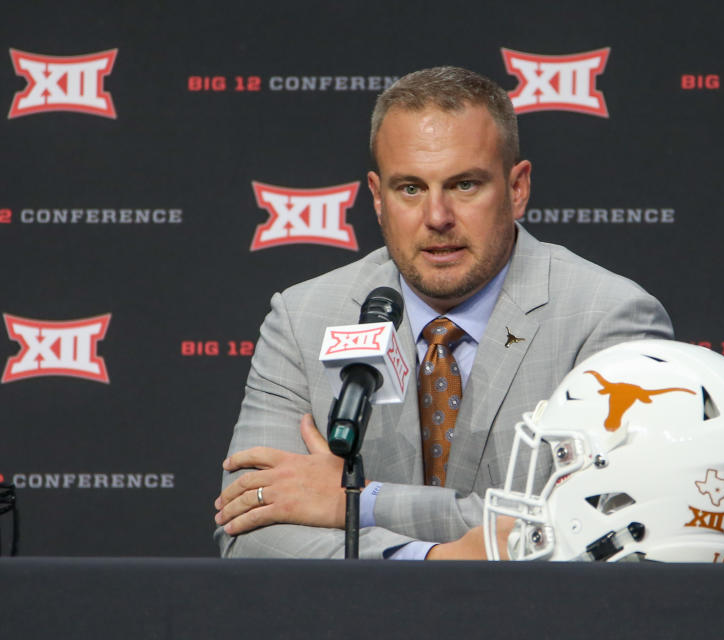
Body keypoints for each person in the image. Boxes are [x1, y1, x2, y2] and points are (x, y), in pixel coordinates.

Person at [214, 66, 673, 560]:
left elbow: (608, 520)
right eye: (410, 188)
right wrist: (433, 562)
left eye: (465, 185)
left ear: (517, 188)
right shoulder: (304, 317)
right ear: (376, 197)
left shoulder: (608, 319)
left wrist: (361, 501)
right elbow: (247, 531)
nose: (437, 218)